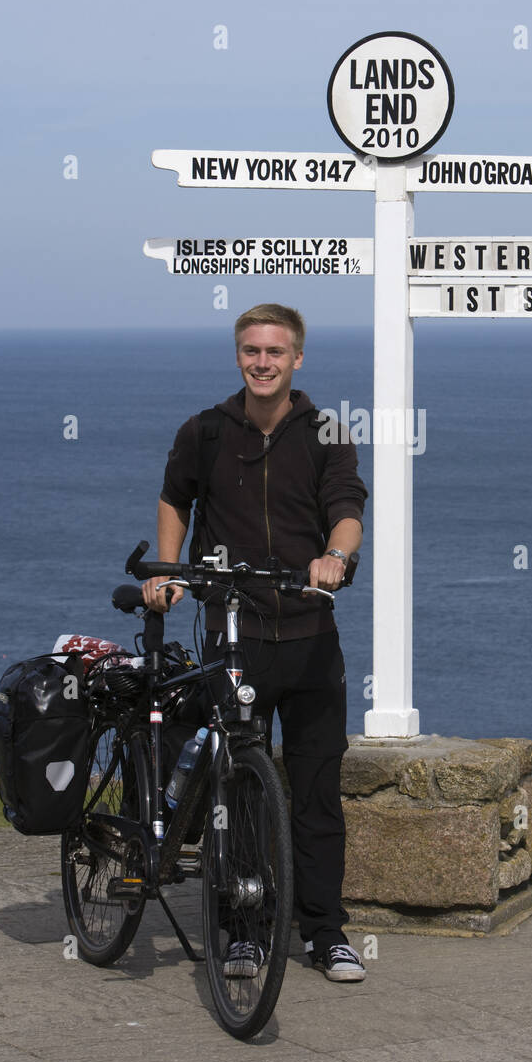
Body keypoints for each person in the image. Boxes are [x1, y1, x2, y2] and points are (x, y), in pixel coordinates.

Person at [142, 303, 369, 982]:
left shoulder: (327, 430)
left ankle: (325, 934)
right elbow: (173, 498)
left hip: (309, 637)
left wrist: (333, 556)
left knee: (317, 793)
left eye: (274, 352)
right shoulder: (206, 431)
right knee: (236, 792)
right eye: (250, 351)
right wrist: (170, 570)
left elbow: (348, 508)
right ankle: (242, 929)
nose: (261, 362)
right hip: (231, 633)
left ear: (297, 359)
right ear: (238, 356)